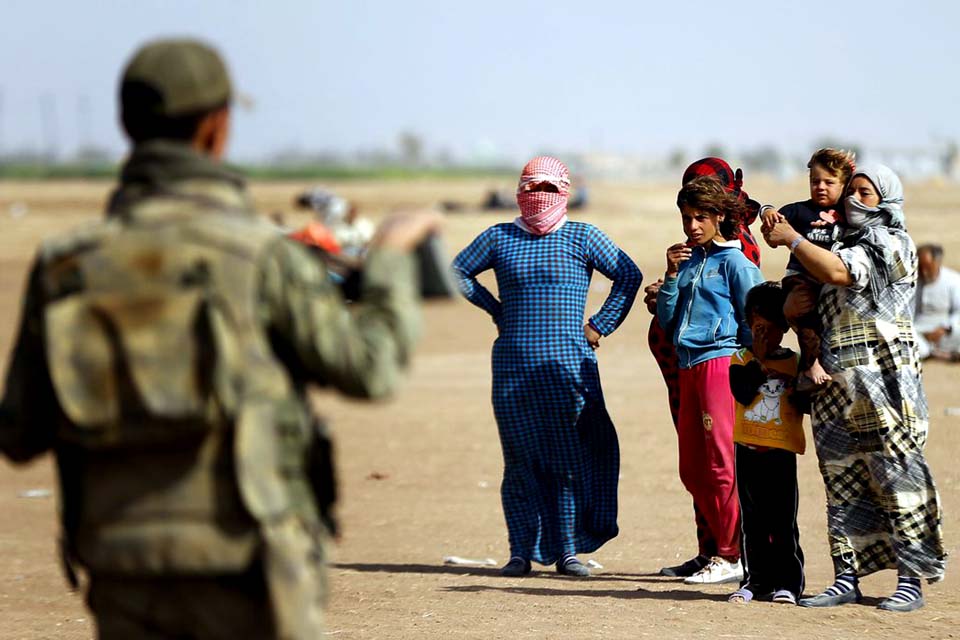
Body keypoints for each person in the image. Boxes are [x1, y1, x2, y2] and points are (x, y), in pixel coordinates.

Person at [0, 38, 440, 639]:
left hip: (122, 567)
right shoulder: (259, 257)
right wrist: (389, 258)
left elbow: (20, 433)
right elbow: (370, 368)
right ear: (216, 127)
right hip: (249, 566)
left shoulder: (64, 266)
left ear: (128, 126)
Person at [762, 164, 946, 612]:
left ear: (887, 199)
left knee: (897, 477)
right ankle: (846, 577)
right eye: (853, 192)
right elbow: (808, 293)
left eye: (865, 192)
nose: (854, 200)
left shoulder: (892, 242)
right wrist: (788, 303)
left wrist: (792, 239)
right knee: (841, 480)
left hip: (886, 382)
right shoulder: (834, 240)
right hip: (835, 387)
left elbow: (841, 274)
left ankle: (910, 580)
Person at [452, 156, 642, 578]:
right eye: (531, 187)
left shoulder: (583, 236)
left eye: (550, 189)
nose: (539, 197)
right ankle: (520, 550)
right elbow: (458, 271)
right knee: (518, 459)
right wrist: (496, 310)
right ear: (518, 191)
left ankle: (568, 551)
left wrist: (600, 325)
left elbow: (628, 276)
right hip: (513, 369)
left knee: (568, 458)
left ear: (566, 192)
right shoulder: (499, 237)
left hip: (569, 367)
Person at [644, 157, 762, 578]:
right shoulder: (691, 261)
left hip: (718, 364)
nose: (692, 226)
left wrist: (748, 369)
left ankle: (730, 555)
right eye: (687, 218)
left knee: (720, 463)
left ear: (720, 216)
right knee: (692, 468)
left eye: (700, 218)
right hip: (689, 365)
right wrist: (673, 277)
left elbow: (755, 319)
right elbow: (669, 321)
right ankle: (720, 548)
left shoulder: (736, 261)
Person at [727, 282, 806, 605]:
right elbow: (743, 393)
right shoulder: (740, 359)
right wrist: (758, 361)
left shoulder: (795, 362)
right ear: (748, 325)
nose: (764, 337)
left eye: (771, 330)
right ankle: (755, 581)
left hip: (781, 454)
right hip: (747, 451)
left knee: (783, 521)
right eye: (757, 328)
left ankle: (788, 583)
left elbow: (804, 403)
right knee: (753, 523)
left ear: (785, 328)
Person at [760, 149, 855, 389]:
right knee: (803, 313)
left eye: (829, 182)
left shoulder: (850, 214)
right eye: (815, 181)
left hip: (832, 281)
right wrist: (769, 214)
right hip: (801, 278)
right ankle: (810, 365)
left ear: (844, 184)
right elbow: (771, 222)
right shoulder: (800, 210)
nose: (820, 187)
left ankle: (817, 368)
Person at [914, 243, 960, 360]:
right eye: (921, 267)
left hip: (944, 331)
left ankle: (934, 352)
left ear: (937, 262)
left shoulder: (953, 280)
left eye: (928, 267)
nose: (924, 272)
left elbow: (959, 311)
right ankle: (935, 353)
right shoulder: (910, 281)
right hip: (918, 331)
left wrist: (945, 327)